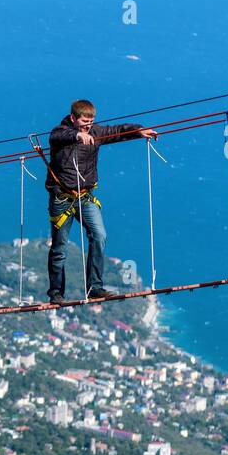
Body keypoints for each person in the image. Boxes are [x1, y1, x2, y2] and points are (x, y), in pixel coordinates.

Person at [43, 99, 157, 304]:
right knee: (60, 248)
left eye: (91, 121)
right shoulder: (61, 132)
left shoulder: (96, 133)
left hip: (85, 197)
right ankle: (56, 293)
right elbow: (57, 136)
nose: (88, 125)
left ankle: (95, 287)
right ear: (73, 118)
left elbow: (118, 130)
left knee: (99, 235)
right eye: (84, 121)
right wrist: (77, 135)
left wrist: (138, 131)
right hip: (62, 199)